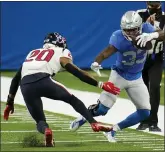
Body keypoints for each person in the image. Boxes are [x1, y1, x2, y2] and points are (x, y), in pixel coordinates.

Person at [3, 32, 120, 147]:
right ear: (60, 43)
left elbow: (16, 79)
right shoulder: (61, 51)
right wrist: (100, 84)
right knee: (72, 100)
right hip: (43, 80)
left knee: (40, 121)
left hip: (26, 85)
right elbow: (76, 72)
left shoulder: (32, 53)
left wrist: (10, 102)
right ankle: (94, 123)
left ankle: (47, 131)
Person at [70, 11, 156, 142]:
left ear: (140, 26)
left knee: (145, 112)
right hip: (119, 75)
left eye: (134, 29)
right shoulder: (118, 37)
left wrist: (152, 35)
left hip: (136, 77)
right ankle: (83, 117)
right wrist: (96, 62)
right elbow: (105, 53)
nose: (131, 33)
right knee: (102, 110)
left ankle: (113, 130)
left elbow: (161, 35)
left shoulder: (147, 29)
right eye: (128, 30)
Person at [136, 1, 165, 132]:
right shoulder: (139, 14)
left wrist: (153, 31)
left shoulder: (164, 16)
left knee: (154, 87)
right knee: (141, 90)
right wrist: (145, 26)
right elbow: (132, 34)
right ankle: (143, 120)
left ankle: (153, 121)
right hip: (140, 58)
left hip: (156, 58)